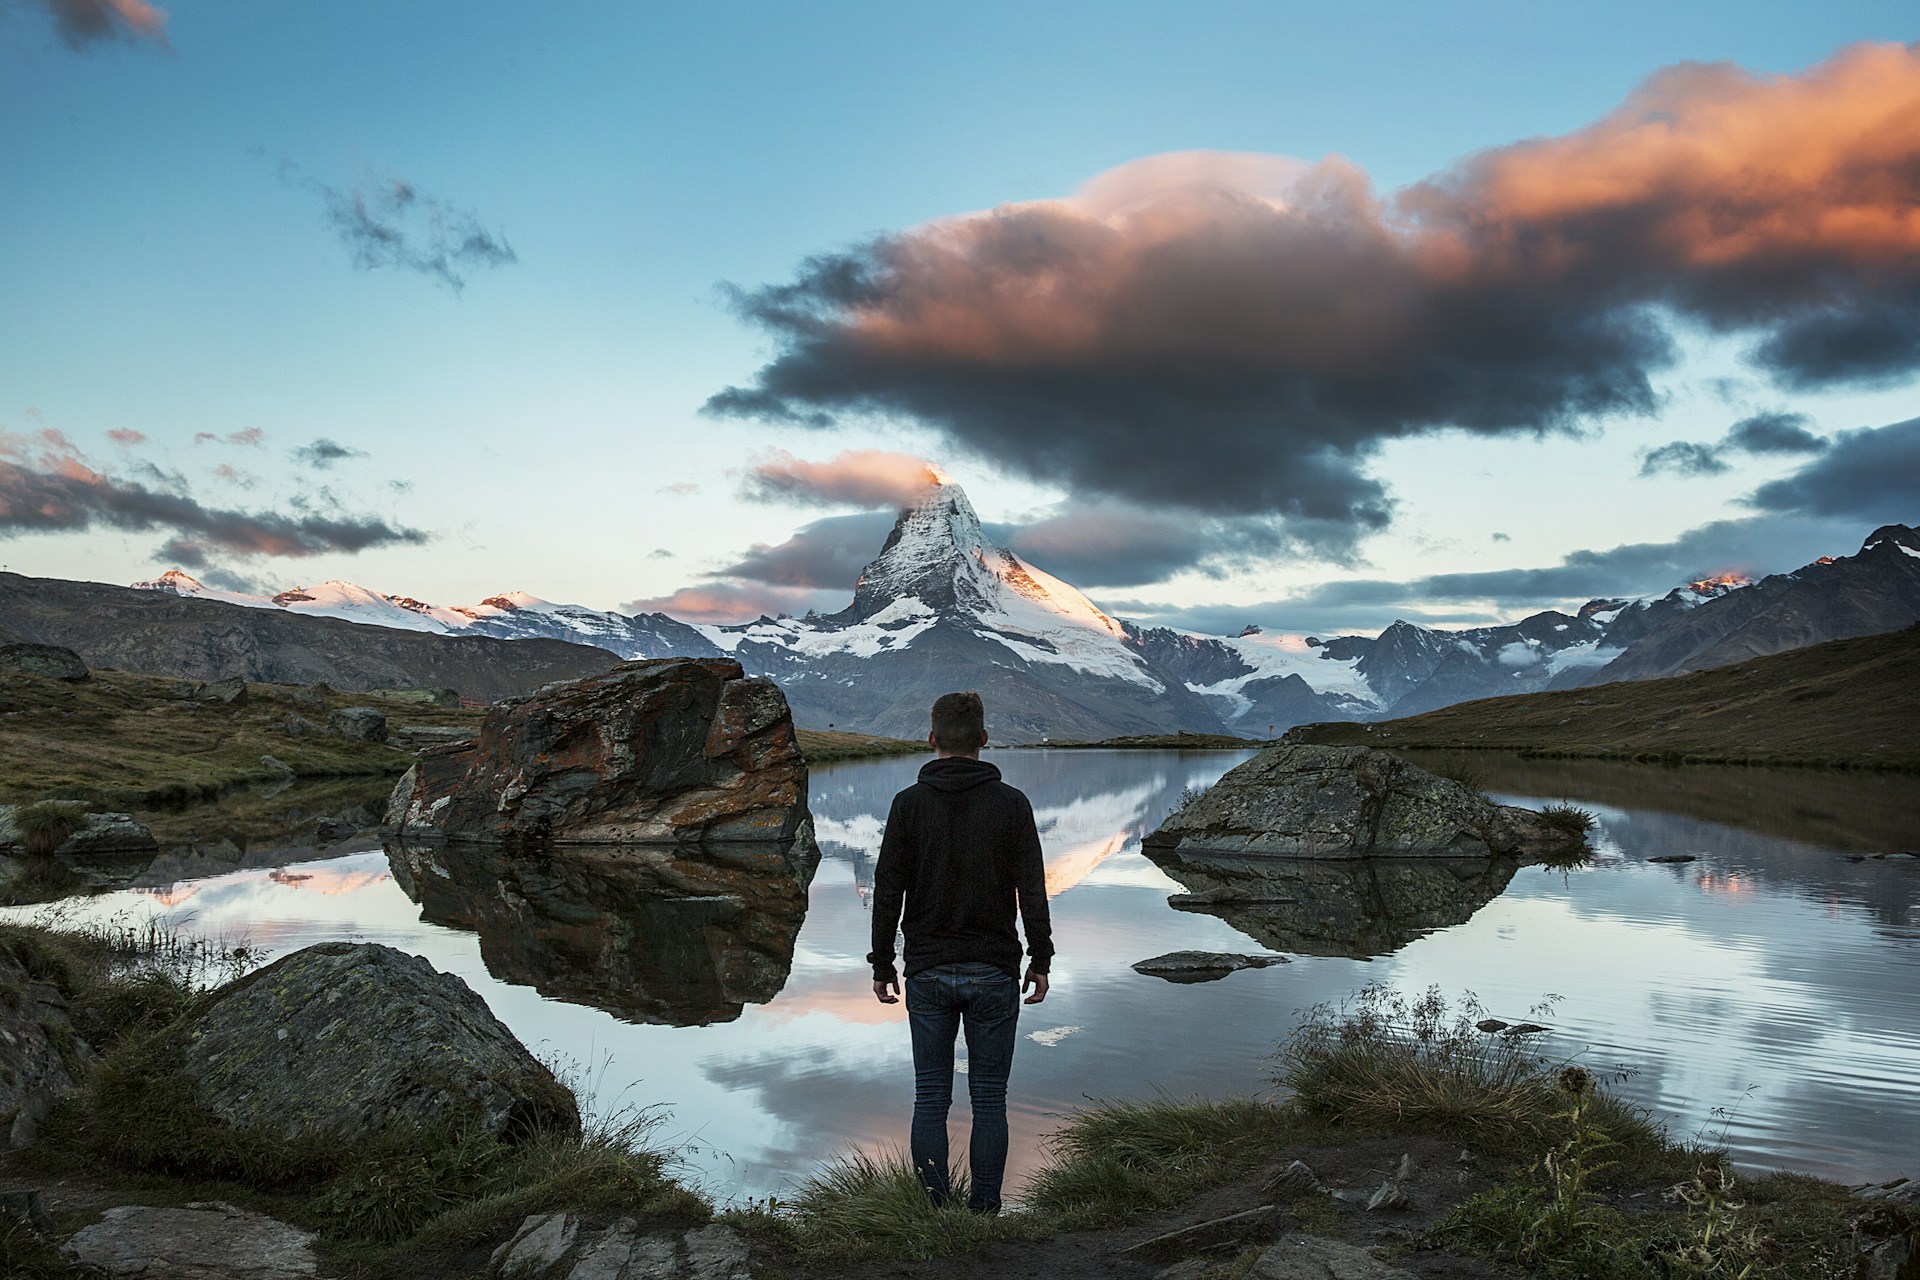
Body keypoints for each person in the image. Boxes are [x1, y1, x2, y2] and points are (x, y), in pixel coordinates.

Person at [867, 690, 1053, 1213]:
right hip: (994, 968)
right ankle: (985, 1215)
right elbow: (1032, 888)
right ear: (984, 741)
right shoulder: (1011, 803)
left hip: (926, 970)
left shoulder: (908, 804)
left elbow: (887, 889)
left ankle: (935, 1214)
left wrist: (883, 963)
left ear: (932, 740)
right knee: (990, 1100)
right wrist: (1040, 959)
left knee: (931, 1099)